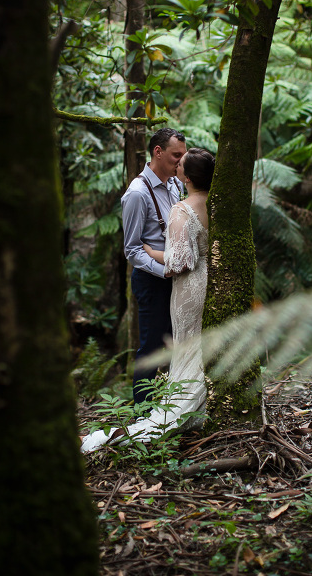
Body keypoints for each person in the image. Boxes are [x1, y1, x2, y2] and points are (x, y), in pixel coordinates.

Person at [81, 147, 215, 453]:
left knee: (186, 343)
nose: (176, 166)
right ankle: (202, 403)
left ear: (188, 177)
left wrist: (154, 253)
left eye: (181, 163)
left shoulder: (182, 209)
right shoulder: (216, 203)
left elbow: (179, 263)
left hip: (188, 288)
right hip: (209, 281)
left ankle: (180, 409)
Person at [121, 127, 186, 405]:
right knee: (151, 348)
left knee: (176, 343)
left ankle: (168, 406)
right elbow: (132, 249)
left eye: (183, 156)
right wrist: (164, 270)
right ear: (157, 152)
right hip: (152, 280)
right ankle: (142, 413)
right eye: (176, 156)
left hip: (176, 277)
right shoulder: (137, 193)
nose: (180, 162)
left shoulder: (175, 184)